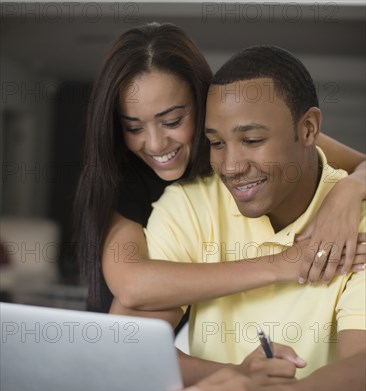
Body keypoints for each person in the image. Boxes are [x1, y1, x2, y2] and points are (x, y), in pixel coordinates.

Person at [136, 45, 366, 391]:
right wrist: (237, 378)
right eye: (217, 143)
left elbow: (362, 366)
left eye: (253, 139)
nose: (230, 166)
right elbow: (133, 347)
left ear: (309, 130)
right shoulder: (189, 206)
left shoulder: (357, 222)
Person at [73, 22, 366, 320]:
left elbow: (358, 163)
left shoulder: (245, 133)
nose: (155, 144)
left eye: (172, 121)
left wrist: (347, 192)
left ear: (203, 104)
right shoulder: (123, 178)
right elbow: (132, 286)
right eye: (133, 127)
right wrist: (283, 264)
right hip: (123, 333)